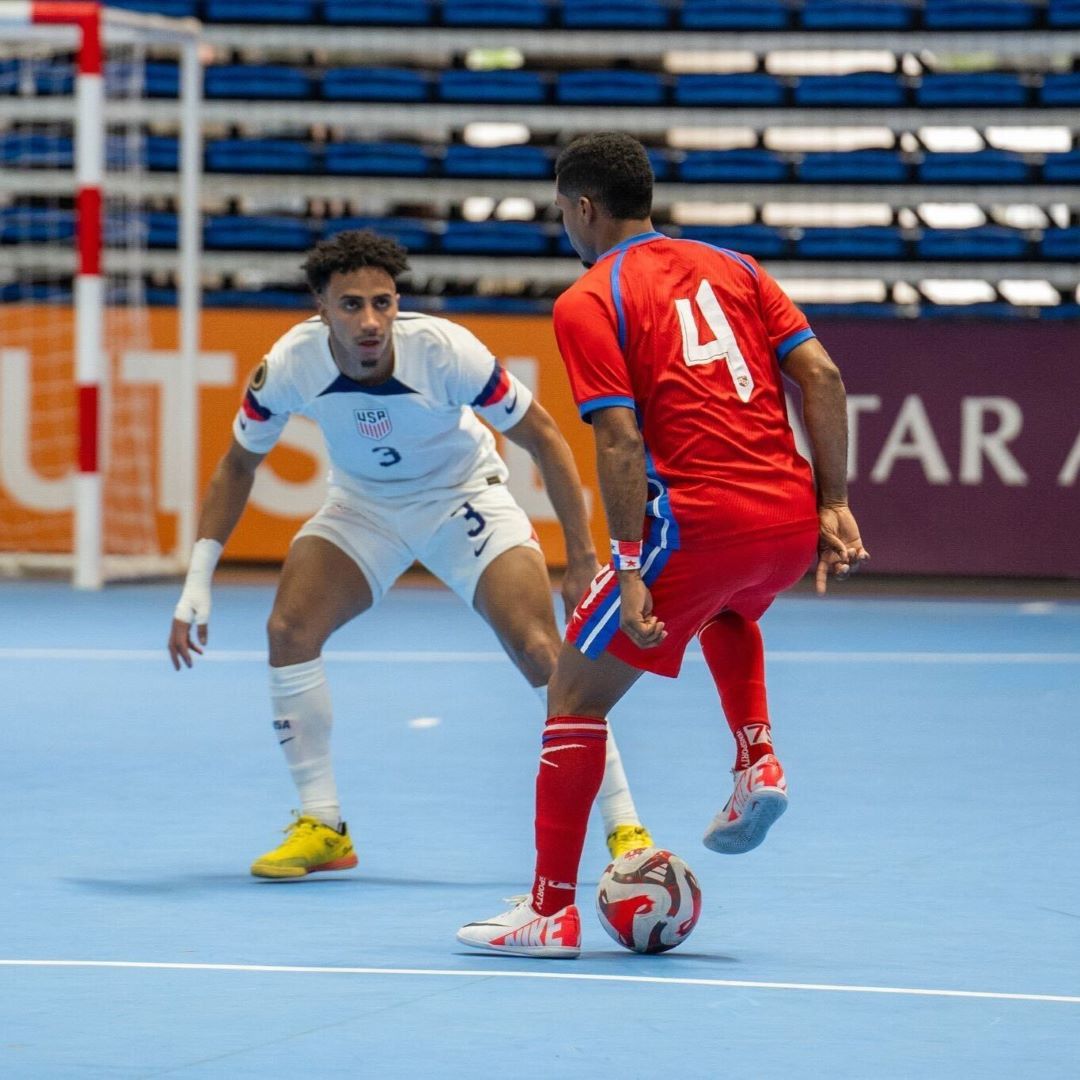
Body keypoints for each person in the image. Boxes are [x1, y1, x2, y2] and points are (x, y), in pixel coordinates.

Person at [458, 132, 869, 957]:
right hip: (786, 520)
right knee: (727, 609)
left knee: (572, 695)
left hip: (696, 524)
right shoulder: (739, 268)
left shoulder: (588, 297)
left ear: (584, 208)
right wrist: (836, 501)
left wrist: (627, 564)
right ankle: (758, 761)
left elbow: (617, 440)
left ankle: (549, 912)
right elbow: (821, 376)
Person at [168, 229, 653, 878]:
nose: (370, 321)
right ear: (320, 307)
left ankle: (626, 828)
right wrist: (197, 581)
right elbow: (236, 467)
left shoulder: (445, 351)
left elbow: (545, 441)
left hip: (464, 499)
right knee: (288, 629)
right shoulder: (288, 365)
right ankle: (324, 825)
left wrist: (584, 557)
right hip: (364, 506)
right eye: (350, 306)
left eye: (383, 302)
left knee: (543, 651)